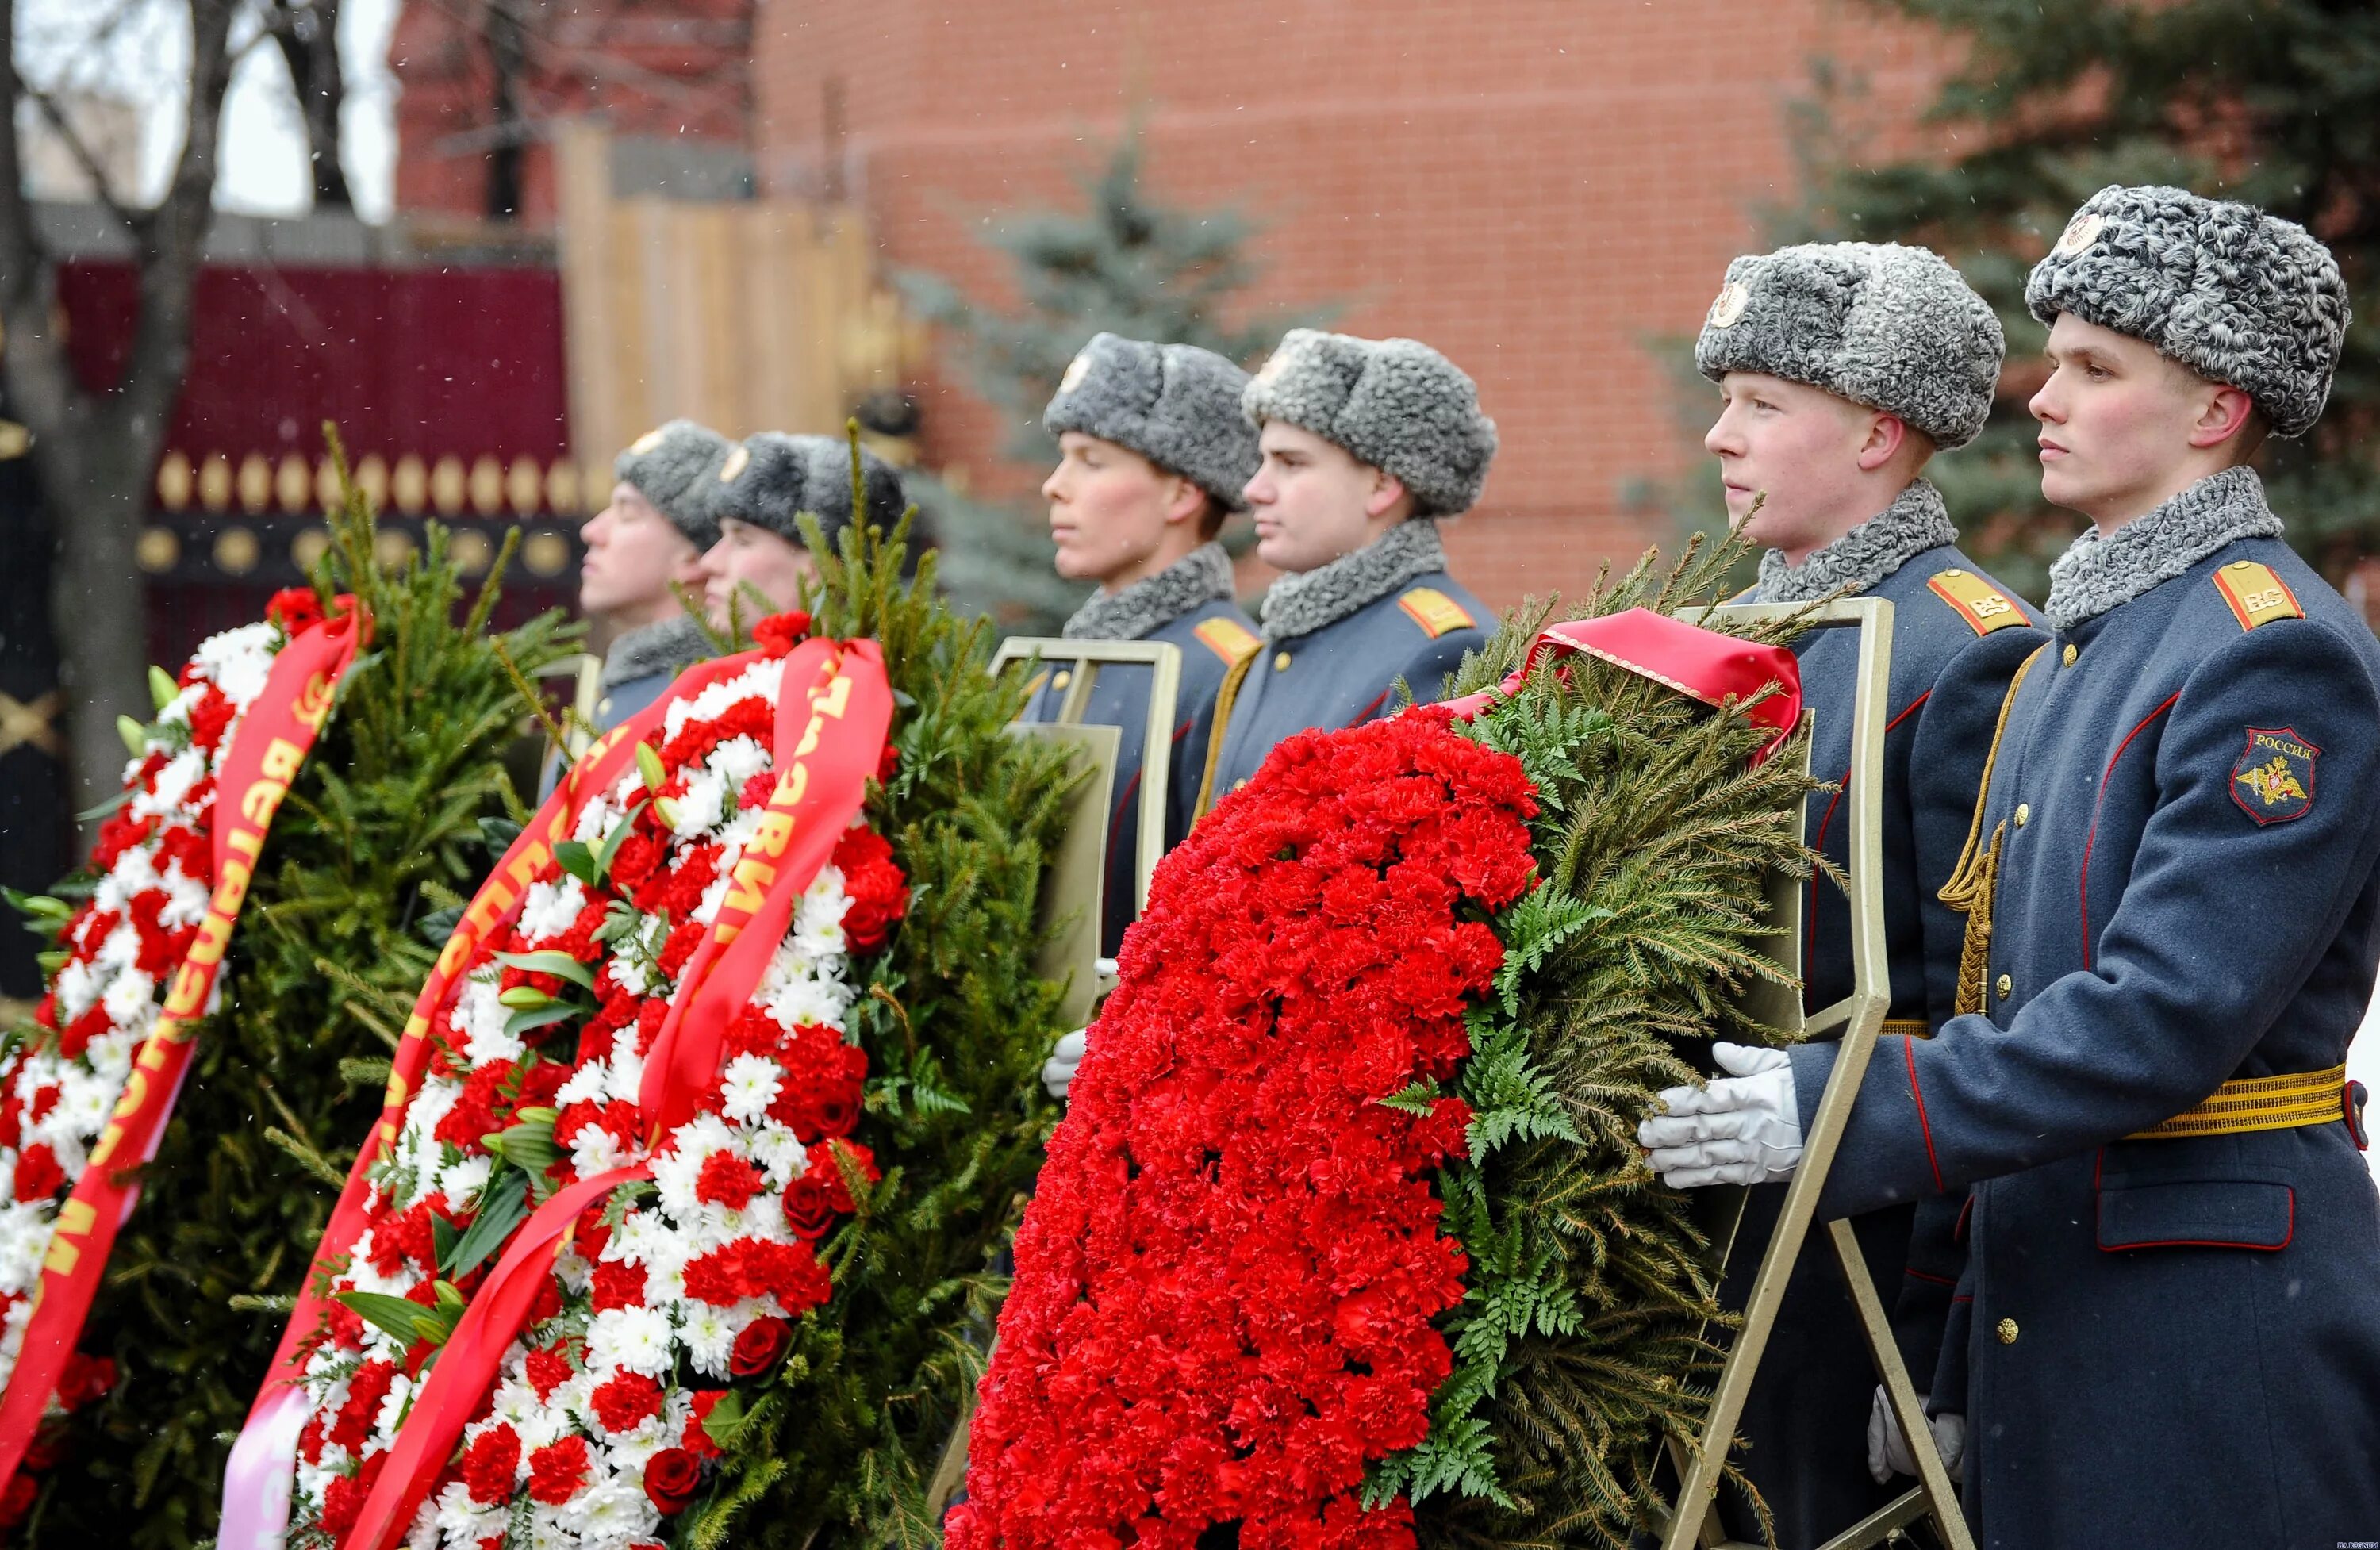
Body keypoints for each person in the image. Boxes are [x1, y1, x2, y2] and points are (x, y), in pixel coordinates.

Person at [1641, 185, 2380, 1548]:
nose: (2040, 396)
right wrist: (1953, 1335)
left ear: (2213, 408)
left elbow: (2157, 1017)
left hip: (2206, 1324)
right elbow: (1996, 988)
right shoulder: (2076, 648)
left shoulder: (2270, 648)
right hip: (2052, 1292)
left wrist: (1842, 1106)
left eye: (2096, 368)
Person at [1694, 240, 2042, 1546]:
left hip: (1853, 1272)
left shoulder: (1967, 647)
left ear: (1879, 433)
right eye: (1725, 397)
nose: (1720, 434)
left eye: (1764, 403)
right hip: (1708, 1252)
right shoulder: (1731, 631)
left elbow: (1982, 1010)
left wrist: (1943, 1340)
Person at [1018, 332, 1262, 974]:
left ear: (1182, 494)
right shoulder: (1062, 657)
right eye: (1062, 457)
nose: (1054, 486)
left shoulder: (1228, 667)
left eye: (1090, 460)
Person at [1194, 328, 1499, 811]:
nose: (1254, 489)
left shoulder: (1443, 649)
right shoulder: (1287, 639)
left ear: (1381, 485)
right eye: (1263, 460)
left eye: (1290, 463)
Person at [543, 420, 729, 796]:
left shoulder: (712, 704)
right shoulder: (617, 687)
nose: (592, 531)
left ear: (696, 555)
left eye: (627, 513)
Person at [695, 431, 908, 630]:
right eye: (722, 536)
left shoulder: (860, 670)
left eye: (742, 541)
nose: (709, 562)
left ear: (821, 570)